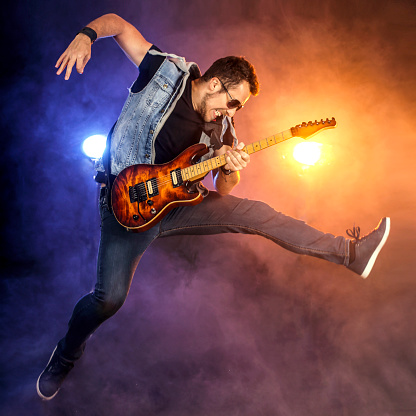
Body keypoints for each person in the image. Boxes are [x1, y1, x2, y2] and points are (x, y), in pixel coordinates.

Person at [36, 13, 390, 400]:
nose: (232, 114)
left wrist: (231, 168)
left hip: (179, 205)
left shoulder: (222, 131)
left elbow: (224, 187)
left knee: (256, 214)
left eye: (238, 110)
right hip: (127, 204)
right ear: (215, 84)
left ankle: (350, 252)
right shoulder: (164, 71)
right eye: (232, 103)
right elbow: (119, 24)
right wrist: (86, 36)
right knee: (109, 299)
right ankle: (67, 353)